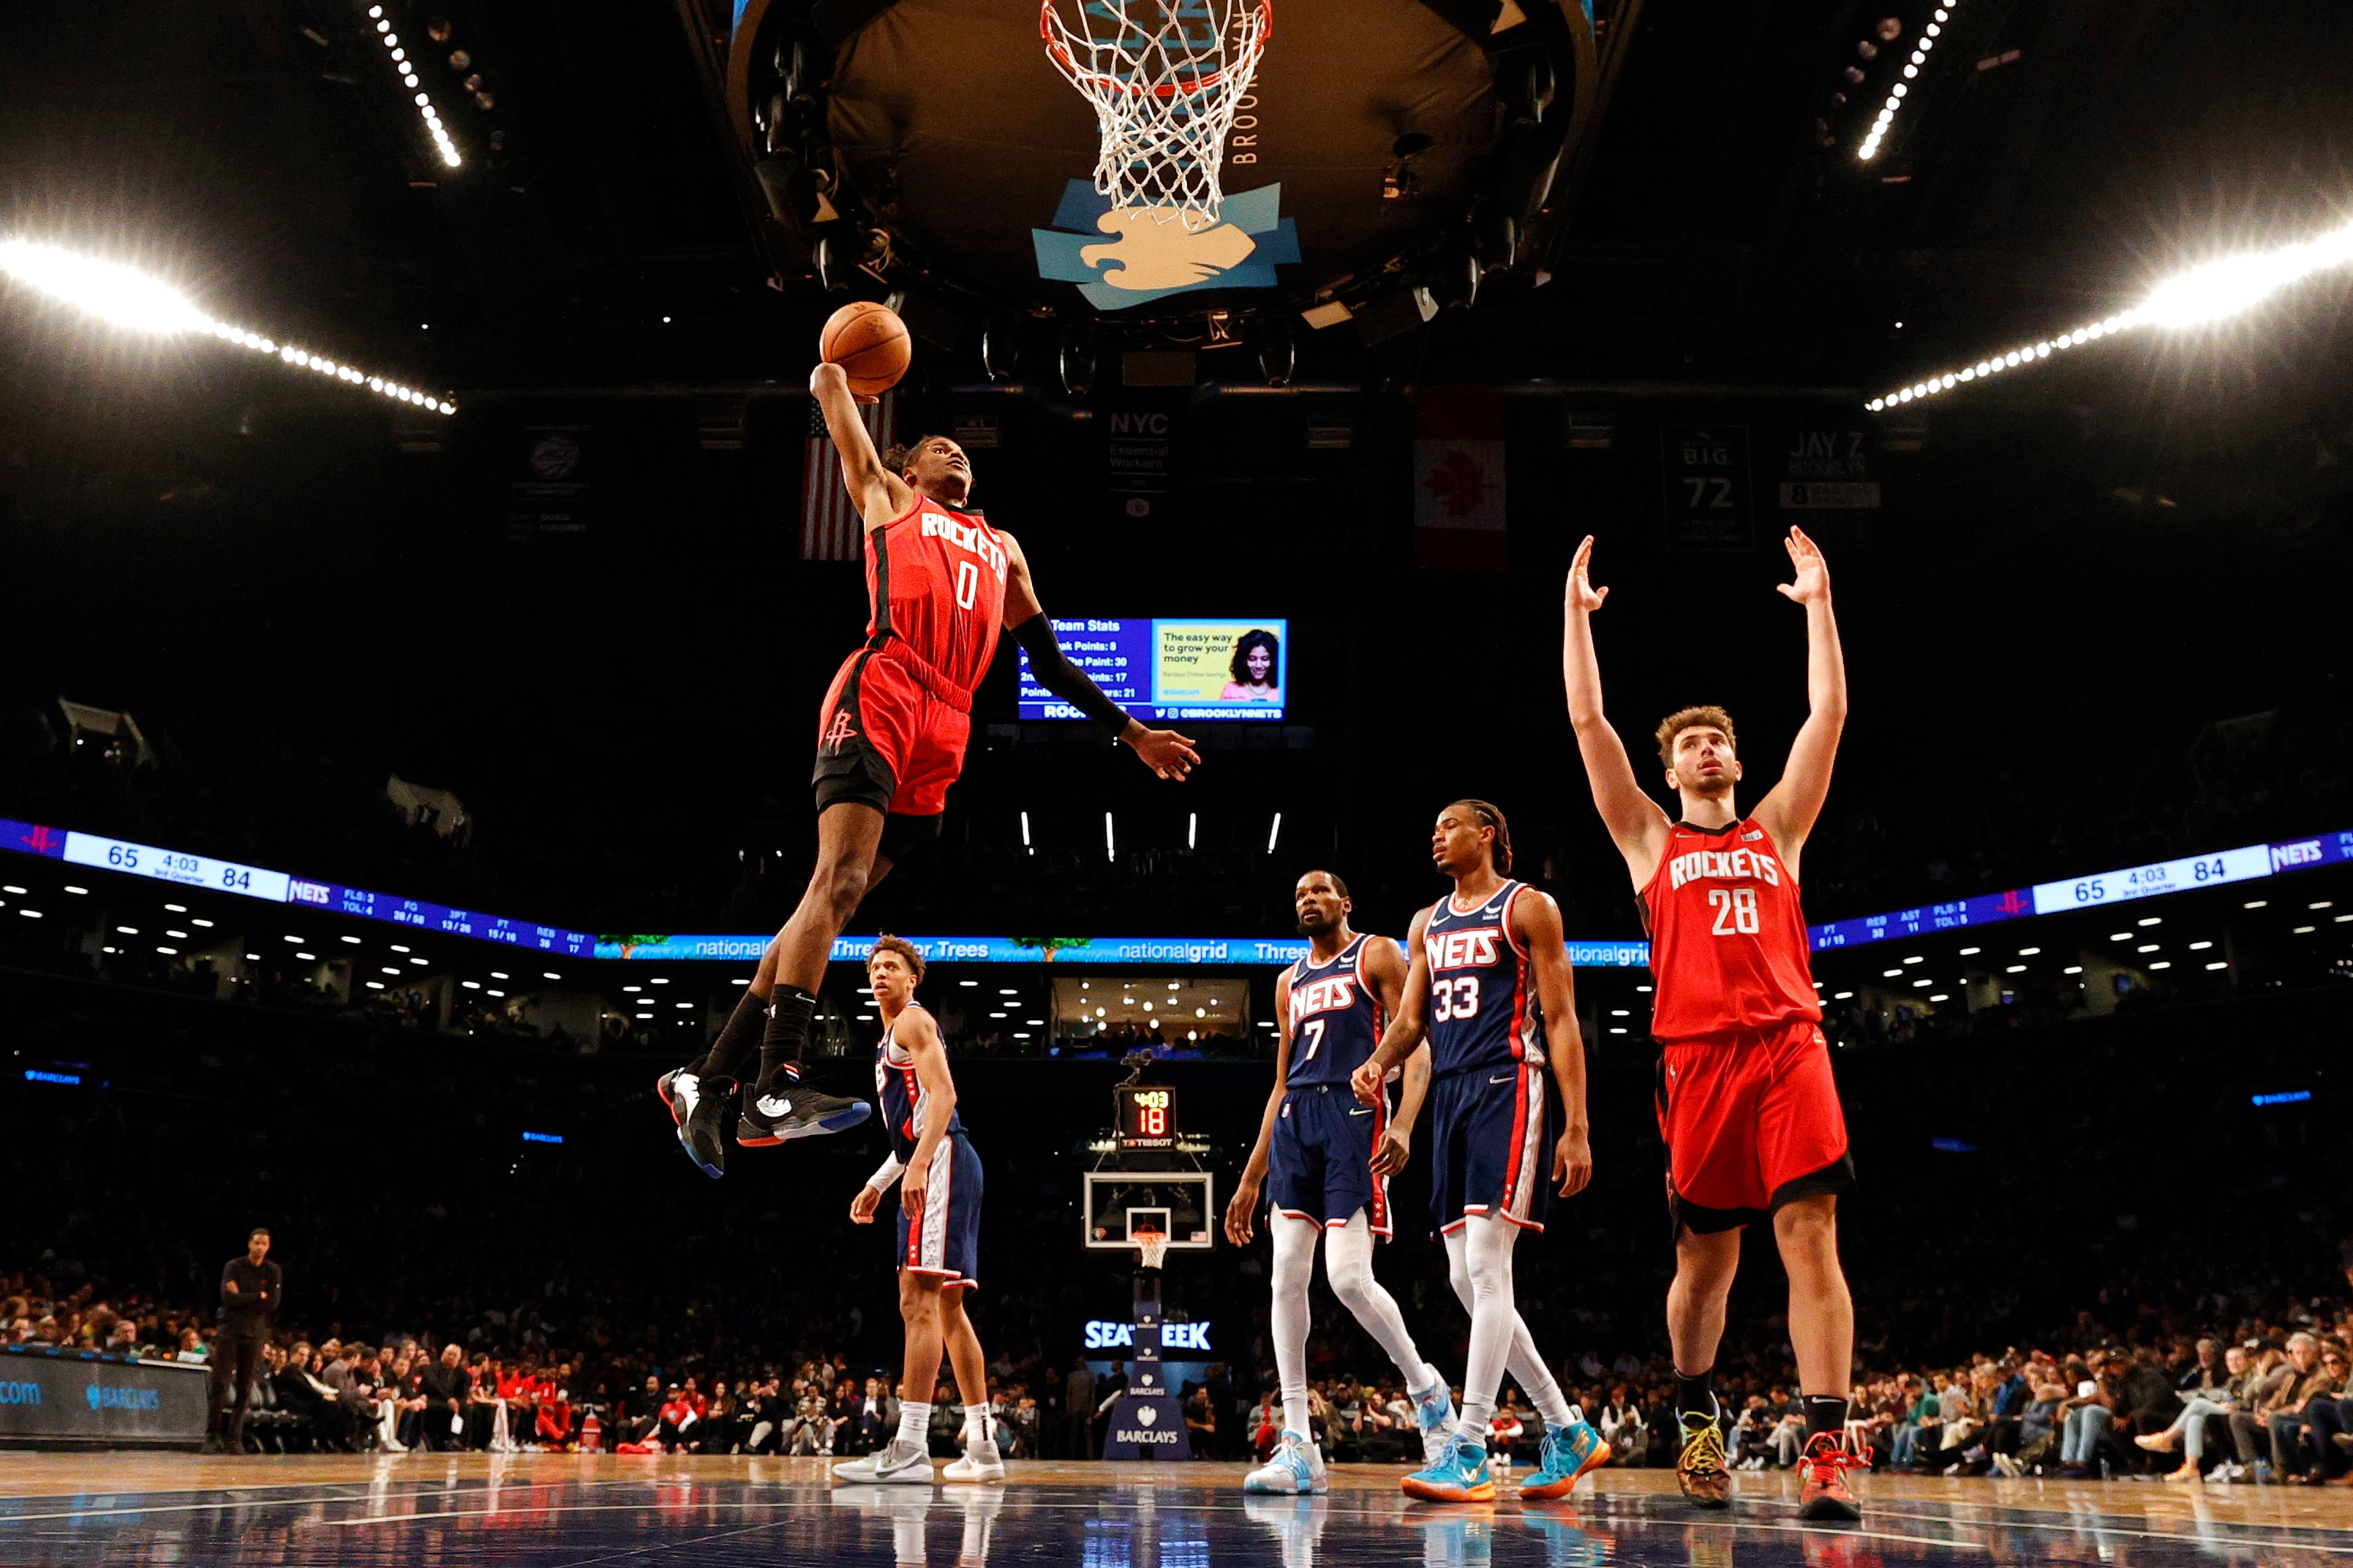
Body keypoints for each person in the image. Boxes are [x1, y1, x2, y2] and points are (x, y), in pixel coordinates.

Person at [657, 362, 1201, 1175]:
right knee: (835, 884)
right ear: (909, 469)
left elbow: (1046, 660)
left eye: (964, 451)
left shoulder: (1001, 545)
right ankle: (774, 1084)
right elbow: (832, 400)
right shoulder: (887, 495)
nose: (956, 452)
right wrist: (837, 366)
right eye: (937, 446)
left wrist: (1129, 732)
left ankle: (706, 1077)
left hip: (947, 723)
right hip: (884, 682)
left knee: (825, 904)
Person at [1559, 527, 1861, 1522]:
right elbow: (1590, 723)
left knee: (1810, 1234)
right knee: (1706, 1263)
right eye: (1687, 742)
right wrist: (1576, 619)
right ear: (1673, 769)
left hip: (1788, 1046)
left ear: (1734, 757)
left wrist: (1818, 603)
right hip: (1695, 1063)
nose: (1704, 746)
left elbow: (1828, 712)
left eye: (1715, 736)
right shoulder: (1649, 840)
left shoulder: (1777, 830)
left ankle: (1825, 1447)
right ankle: (1695, 1413)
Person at [1349, 801, 1606, 1504]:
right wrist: (1377, 1062)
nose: (1435, 835)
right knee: (1465, 1280)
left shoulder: (1529, 908)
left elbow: (1561, 1020)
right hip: (1451, 1097)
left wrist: (1575, 1125)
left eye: (1449, 825)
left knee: (1490, 1269)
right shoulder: (1425, 922)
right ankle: (1566, 1428)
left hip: (1508, 1084)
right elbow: (1409, 1021)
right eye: (1431, 827)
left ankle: (1468, 1445)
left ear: (1487, 833)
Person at [1225, 869, 1459, 1495]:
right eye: (1298, 893)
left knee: (1349, 1278)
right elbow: (1279, 1083)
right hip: (1297, 1120)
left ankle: (1427, 1390)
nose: (1308, 900)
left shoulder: (1377, 951)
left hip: (1353, 1119)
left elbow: (1419, 1046)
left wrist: (1405, 1123)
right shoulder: (1287, 982)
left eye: (1319, 892)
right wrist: (1251, 1177)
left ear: (1345, 902)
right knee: (1284, 1276)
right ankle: (1298, 1442)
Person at [832, 935, 1003, 1485]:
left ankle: (908, 1447)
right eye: (874, 967)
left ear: (912, 979)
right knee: (948, 1311)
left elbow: (945, 1097)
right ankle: (981, 1446)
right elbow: (914, 1125)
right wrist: (881, 1180)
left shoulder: (910, 1021)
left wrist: (921, 1166)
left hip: (944, 1158)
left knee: (918, 1301)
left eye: (892, 967)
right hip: (942, 1158)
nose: (880, 973)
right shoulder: (890, 1037)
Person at [209, 1228, 281, 1454]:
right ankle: (212, 1435)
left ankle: (234, 1438)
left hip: (255, 1334)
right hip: (230, 1331)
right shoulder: (234, 1266)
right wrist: (257, 1296)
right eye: (257, 1243)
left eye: (264, 1244)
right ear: (249, 1244)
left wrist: (243, 1296)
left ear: (268, 1247)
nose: (260, 1247)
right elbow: (228, 1298)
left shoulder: (272, 1271)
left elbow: (272, 1304)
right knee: (220, 1383)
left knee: (244, 1388)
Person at [1220, 629, 1281, 703]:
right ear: (1243, 661)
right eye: (1252, 659)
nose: (1258, 665)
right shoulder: (1231, 689)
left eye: (1264, 659)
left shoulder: (1281, 691)